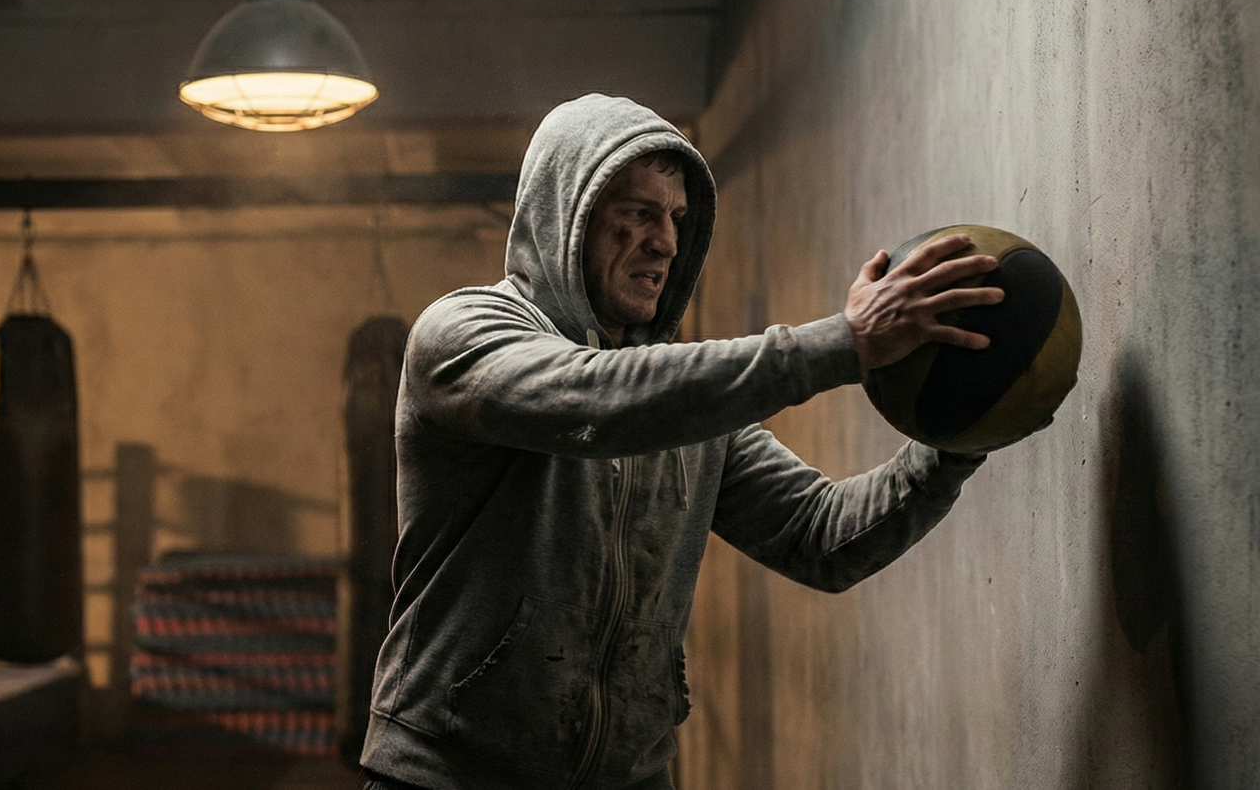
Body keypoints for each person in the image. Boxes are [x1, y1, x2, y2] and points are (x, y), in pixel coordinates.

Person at [358, 94, 1006, 790]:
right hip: (449, 777)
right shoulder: (460, 335)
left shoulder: (686, 405)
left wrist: (954, 443)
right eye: (636, 213)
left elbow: (820, 536)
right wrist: (843, 343)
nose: (665, 242)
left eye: (675, 219)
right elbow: (595, 402)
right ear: (566, 217)